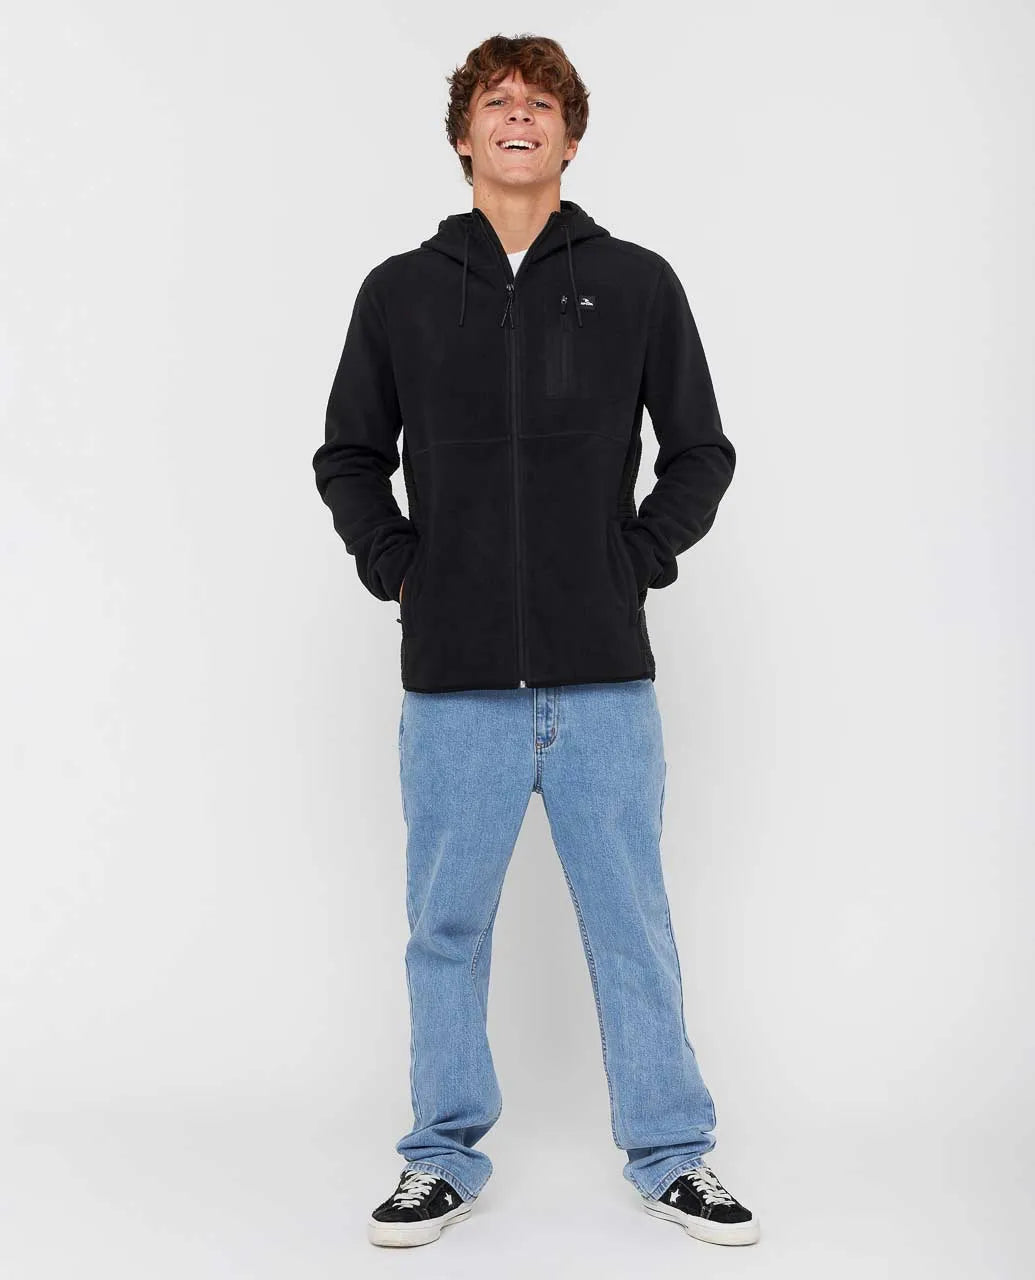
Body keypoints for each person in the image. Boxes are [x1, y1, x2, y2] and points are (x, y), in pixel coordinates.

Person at [312, 33, 758, 1249]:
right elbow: (349, 454)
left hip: (602, 677)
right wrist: (402, 566)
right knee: (445, 929)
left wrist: (635, 558)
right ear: (465, 134)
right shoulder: (400, 291)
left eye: (542, 101)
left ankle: (673, 1152)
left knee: (633, 926)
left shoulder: (637, 282)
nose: (520, 115)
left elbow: (701, 451)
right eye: (497, 101)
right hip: (453, 683)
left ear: (570, 134)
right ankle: (440, 1155)